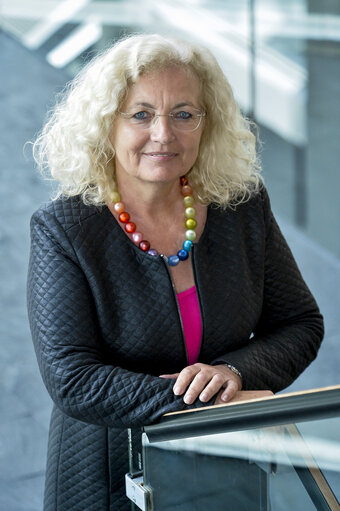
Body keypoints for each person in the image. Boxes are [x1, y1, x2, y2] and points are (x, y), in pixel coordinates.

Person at [27, 34, 324, 510]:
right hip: (107, 477)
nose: (164, 134)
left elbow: (300, 325)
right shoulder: (65, 227)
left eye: (184, 114)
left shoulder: (241, 206)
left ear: (208, 124)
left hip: (226, 466)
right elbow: (73, 377)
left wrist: (231, 372)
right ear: (107, 124)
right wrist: (200, 400)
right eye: (141, 114)